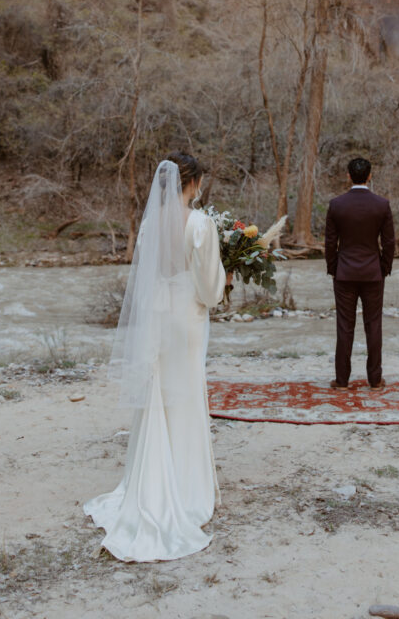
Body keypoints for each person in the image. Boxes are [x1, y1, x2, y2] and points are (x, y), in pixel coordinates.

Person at [84, 153, 229, 562]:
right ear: (193, 182)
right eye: (199, 182)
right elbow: (208, 284)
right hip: (186, 315)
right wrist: (225, 283)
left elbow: (147, 276)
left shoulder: (150, 223)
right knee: (186, 394)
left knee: (161, 394)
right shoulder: (200, 224)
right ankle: (187, 490)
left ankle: (151, 481)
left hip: (158, 317)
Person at [324, 157, 395, 390]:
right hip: (373, 273)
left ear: (348, 176)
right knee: (373, 325)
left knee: (344, 326)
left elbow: (330, 243)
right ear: (370, 176)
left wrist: (334, 269)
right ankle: (375, 380)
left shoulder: (337, 205)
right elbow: (389, 242)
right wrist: (383, 268)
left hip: (344, 273)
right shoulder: (381, 205)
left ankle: (342, 381)